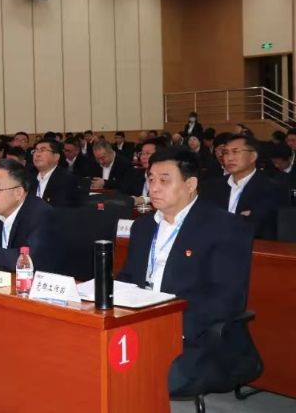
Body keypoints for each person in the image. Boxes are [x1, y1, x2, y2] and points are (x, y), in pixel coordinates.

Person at [117, 148, 253, 394]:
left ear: (190, 184)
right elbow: (129, 278)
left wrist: (168, 329)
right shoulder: (143, 227)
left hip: (194, 336)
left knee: (135, 375)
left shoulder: (224, 226)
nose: (154, 188)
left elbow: (227, 298)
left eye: (164, 181)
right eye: (151, 179)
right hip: (141, 326)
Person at [200, 135, 287, 239]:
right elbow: (203, 219)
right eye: (226, 153)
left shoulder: (272, 189)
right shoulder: (210, 187)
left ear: (253, 156)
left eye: (236, 152)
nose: (229, 158)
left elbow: (260, 226)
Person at [27, 139, 79, 207]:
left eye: (42, 150)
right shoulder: (28, 178)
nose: (37, 154)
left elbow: (62, 209)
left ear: (56, 157)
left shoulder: (67, 180)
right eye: (35, 151)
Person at [119, 138, 161, 205]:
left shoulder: (165, 178)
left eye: (147, 153)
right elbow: (120, 194)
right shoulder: (133, 174)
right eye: (142, 153)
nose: (143, 157)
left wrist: (146, 199)